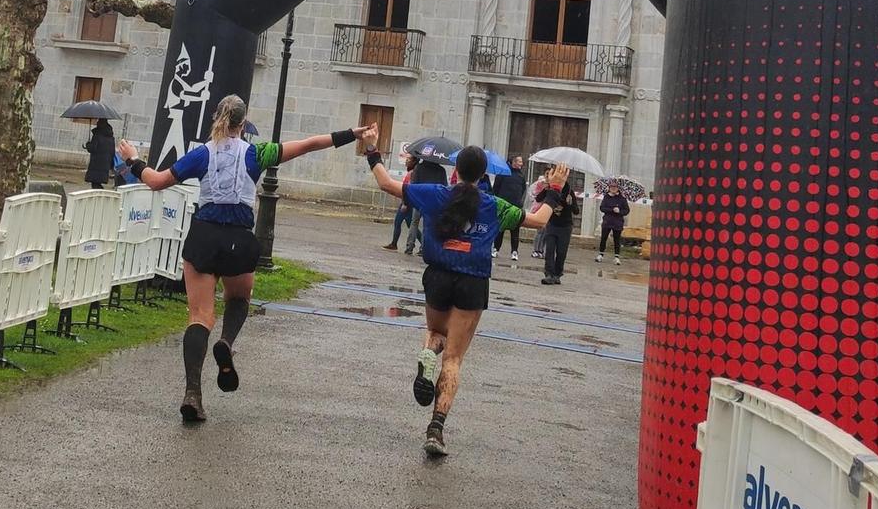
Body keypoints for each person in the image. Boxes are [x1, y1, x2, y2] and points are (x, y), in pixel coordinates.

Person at [118, 97, 370, 424]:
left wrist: (134, 159)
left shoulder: (201, 154)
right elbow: (308, 144)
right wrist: (353, 133)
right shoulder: (257, 153)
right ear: (243, 122)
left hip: (205, 236)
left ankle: (192, 393)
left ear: (217, 119)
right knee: (238, 299)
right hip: (239, 238)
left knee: (199, 316)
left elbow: (155, 181)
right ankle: (226, 341)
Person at [364, 134, 552, 457]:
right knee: (453, 358)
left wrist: (371, 150)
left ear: (455, 169)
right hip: (473, 281)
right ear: (483, 175)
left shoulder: (436, 195)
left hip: (438, 275)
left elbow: (386, 183)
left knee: (436, 333)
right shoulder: (494, 206)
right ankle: (436, 429)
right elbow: (537, 221)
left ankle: (426, 357)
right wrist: (554, 190)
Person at [534, 164, 582, 285]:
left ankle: (557, 274)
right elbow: (538, 199)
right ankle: (549, 273)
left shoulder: (569, 191)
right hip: (552, 224)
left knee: (561, 252)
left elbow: (576, 211)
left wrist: (570, 204)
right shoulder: (550, 188)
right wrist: (546, 188)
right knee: (549, 250)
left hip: (565, 226)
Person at [491, 154, 527, 264]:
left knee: (515, 230)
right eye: (518, 161)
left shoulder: (521, 176)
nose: (521, 164)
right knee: (500, 229)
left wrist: (519, 203)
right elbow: (495, 189)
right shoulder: (503, 173)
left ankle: (514, 251)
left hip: (515, 207)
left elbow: (522, 190)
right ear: (512, 162)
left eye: (521, 162)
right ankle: (496, 249)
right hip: (503, 205)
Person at [596, 181, 630, 260]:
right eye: (611, 187)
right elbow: (602, 208)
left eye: (615, 187)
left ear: (618, 188)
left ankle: (616, 256)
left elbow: (627, 210)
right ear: (609, 188)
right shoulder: (606, 197)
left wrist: (619, 211)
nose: (613, 189)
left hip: (617, 222)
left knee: (617, 240)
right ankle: (601, 254)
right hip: (607, 221)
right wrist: (612, 210)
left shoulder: (622, 198)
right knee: (603, 238)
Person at [83, 117, 116, 187]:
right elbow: (112, 151)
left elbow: (92, 148)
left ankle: (102, 196)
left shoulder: (97, 135)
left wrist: (88, 144)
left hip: (96, 164)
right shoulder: (111, 137)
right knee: (97, 184)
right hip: (105, 164)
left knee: (95, 184)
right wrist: (111, 165)